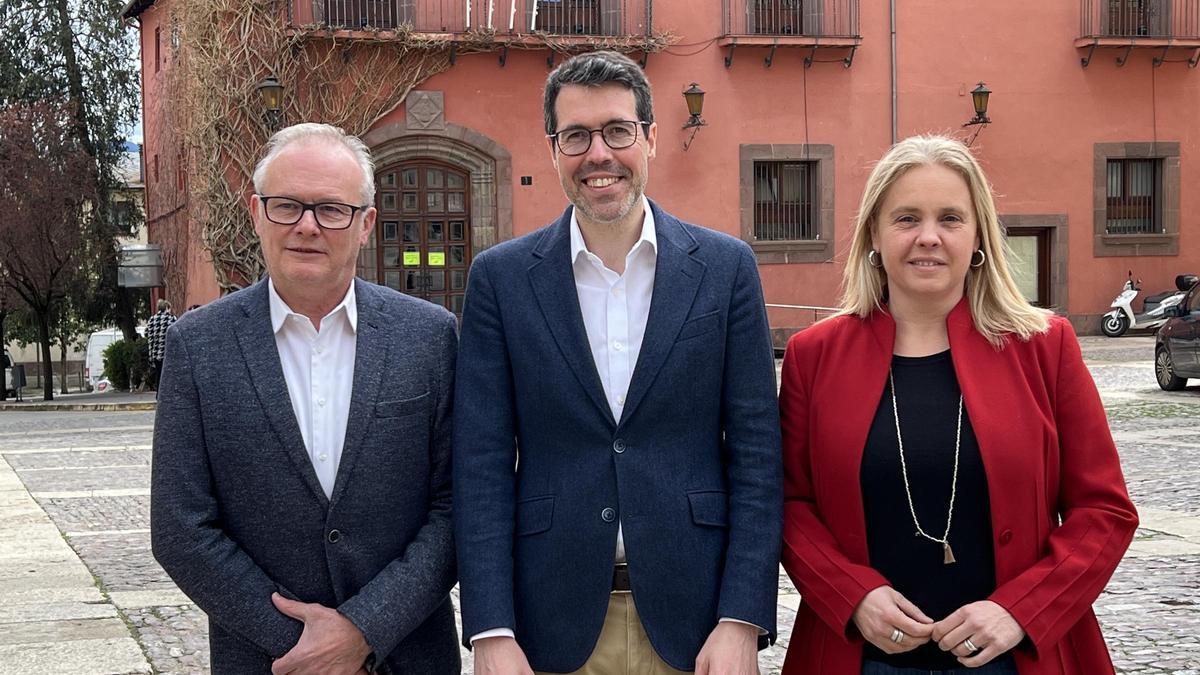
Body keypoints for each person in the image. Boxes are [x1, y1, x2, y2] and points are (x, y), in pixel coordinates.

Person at [453, 50, 783, 675]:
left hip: (698, 624)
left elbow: (757, 457)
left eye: (616, 131)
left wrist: (742, 619)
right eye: (575, 135)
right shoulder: (500, 280)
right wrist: (491, 631)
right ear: (553, 149)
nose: (597, 154)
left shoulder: (726, 268)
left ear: (651, 138)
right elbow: (482, 464)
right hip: (549, 627)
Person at [778, 135, 1139, 674]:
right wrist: (851, 595)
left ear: (979, 239)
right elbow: (787, 504)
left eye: (950, 218)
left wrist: (1019, 610)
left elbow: (1104, 511)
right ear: (874, 234)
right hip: (860, 656)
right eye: (906, 219)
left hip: (1016, 655)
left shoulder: (1045, 347)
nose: (928, 237)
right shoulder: (814, 356)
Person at [150, 123, 460, 674]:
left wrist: (364, 630)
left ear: (366, 223)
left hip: (408, 657)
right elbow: (181, 529)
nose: (307, 227)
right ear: (255, 212)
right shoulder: (198, 346)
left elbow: (456, 507)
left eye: (330, 209)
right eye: (286, 206)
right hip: (266, 662)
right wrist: (304, 646)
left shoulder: (430, 337)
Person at [145, 298, 176, 391]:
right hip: (167, 352)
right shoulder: (171, 318)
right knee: (168, 375)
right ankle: (166, 392)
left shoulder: (152, 319)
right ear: (167, 308)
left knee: (159, 373)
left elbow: (146, 332)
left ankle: (159, 393)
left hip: (155, 353)